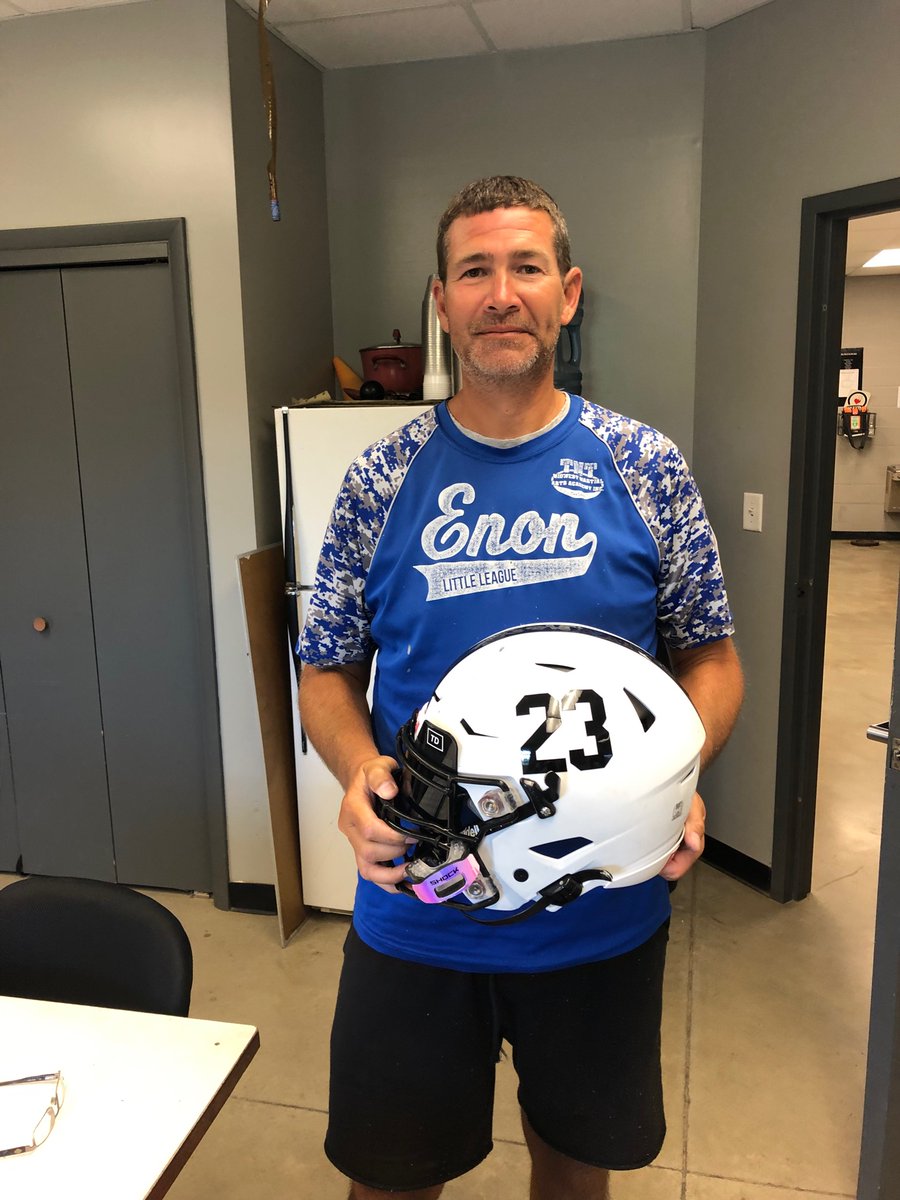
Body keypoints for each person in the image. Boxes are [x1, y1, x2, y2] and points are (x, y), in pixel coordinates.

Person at [299, 176, 744, 1200]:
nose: (502, 293)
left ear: (569, 292)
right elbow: (323, 665)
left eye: (526, 268)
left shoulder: (645, 466)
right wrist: (361, 768)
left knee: (574, 1171)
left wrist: (671, 771)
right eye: (475, 272)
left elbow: (711, 658)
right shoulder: (380, 475)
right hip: (419, 905)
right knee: (389, 1178)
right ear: (443, 302)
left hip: (598, 917)